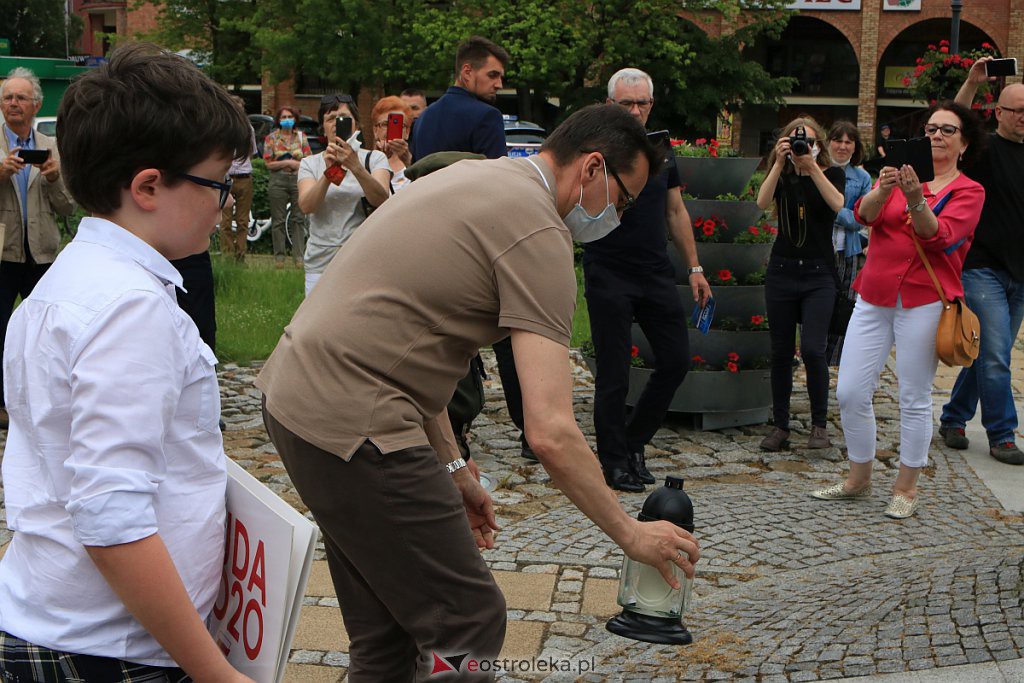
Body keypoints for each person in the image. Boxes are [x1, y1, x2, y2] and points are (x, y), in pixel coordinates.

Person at [255, 104, 700, 682]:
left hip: (298, 399)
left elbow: (415, 343)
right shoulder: (540, 232)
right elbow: (549, 429)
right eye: (625, 197)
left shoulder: (478, 177)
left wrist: (453, 467)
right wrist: (630, 531)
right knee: (466, 621)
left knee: (388, 633)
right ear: (592, 167)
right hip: (353, 417)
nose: (621, 213)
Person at [0, 43, 254, 681]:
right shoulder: (129, 308)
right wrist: (214, 671)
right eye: (217, 184)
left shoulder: (71, 279)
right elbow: (111, 515)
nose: (224, 203)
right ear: (148, 187)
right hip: (108, 650)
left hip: (66, 619)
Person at [813, 102, 985, 519]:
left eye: (948, 130)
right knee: (850, 390)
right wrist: (885, 189)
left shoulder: (968, 190)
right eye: (931, 129)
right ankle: (859, 476)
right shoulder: (895, 175)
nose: (937, 136)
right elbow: (862, 215)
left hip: (925, 298)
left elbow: (937, 237)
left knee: (913, 395)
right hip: (874, 293)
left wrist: (915, 199)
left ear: (964, 143)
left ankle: (906, 487)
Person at [585, 68, 711, 492]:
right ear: (610, 106)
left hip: (655, 270)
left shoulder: (661, 147)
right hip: (608, 269)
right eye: (627, 104)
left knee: (676, 360)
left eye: (643, 103)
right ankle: (614, 461)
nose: (636, 111)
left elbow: (675, 210)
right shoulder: (594, 149)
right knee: (614, 372)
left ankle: (634, 441)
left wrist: (694, 267)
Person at [411, 36, 529, 459]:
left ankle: (443, 427)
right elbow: (494, 188)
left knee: (438, 332)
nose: (499, 84)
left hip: (428, 237)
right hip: (474, 241)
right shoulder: (486, 117)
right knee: (510, 334)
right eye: (493, 74)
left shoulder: (421, 121)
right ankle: (530, 430)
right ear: (467, 72)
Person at [939, 65, 1024, 465]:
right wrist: (972, 83)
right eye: (1018, 109)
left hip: (1019, 273)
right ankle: (1002, 434)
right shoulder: (983, 149)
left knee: (991, 351)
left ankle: (954, 417)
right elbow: (954, 122)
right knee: (995, 356)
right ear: (1000, 112)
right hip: (982, 268)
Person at [757, 117, 845, 451]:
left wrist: (812, 168)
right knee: (780, 351)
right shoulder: (782, 174)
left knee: (812, 348)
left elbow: (838, 204)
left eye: (807, 141)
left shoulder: (831, 174)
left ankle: (819, 426)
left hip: (818, 272)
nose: (800, 147)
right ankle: (780, 425)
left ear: (818, 145)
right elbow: (761, 203)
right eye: (795, 140)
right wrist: (779, 164)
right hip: (782, 269)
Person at [0, 67, 76, 430]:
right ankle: (2, 403)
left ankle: (43, 400)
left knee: (44, 333)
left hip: (42, 252)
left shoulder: (51, 147)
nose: (13, 103)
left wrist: (55, 177)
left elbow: (68, 207)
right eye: (7, 97)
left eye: (20, 97)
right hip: (2, 251)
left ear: (37, 104)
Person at [296, 93, 390, 295]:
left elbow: (381, 199)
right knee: (316, 324)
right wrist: (329, 173)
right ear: (323, 126)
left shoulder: (375, 159)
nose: (337, 124)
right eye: (330, 118)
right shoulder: (310, 163)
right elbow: (306, 206)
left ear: (356, 125)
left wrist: (355, 166)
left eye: (344, 118)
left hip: (360, 258)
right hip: (320, 260)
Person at [825, 120, 872, 366]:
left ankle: (834, 360)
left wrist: (831, 210)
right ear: (829, 142)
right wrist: (843, 212)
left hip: (849, 251)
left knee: (844, 305)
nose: (842, 146)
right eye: (838, 140)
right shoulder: (816, 169)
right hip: (820, 249)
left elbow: (859, 219)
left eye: (848, 142)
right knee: (818, 305)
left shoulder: (862, 177)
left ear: (855, 147)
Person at [263, 105, 310, 268]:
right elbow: (268, 163)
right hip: (278, 181)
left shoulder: (302, 137)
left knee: (298, 219)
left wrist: (292, 164)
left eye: (289, 116)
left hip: (298, 180)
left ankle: (299, 257)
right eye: (283, 117)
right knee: (278, 220)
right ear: (278, 120)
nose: (286, 120)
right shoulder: (271, 138)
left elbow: (308, 160)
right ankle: (279, 258)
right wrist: (287, 162)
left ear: (295, 118)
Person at [219, 95, 258, 262]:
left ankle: (241, 255)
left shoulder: (248, 129)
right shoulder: (221, 128)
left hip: (244, 177)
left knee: (243, 220)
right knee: (225, 220)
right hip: (226, 178)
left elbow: (252, 151)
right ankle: (227, 256)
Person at [370, 95, 413, 192]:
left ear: (407, 132)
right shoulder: (364, 162)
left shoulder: (416, 161)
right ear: (375, 130)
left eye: (398, 125)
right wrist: (377, 161)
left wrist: (409, 163)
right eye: (385, 124)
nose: (390, 130)